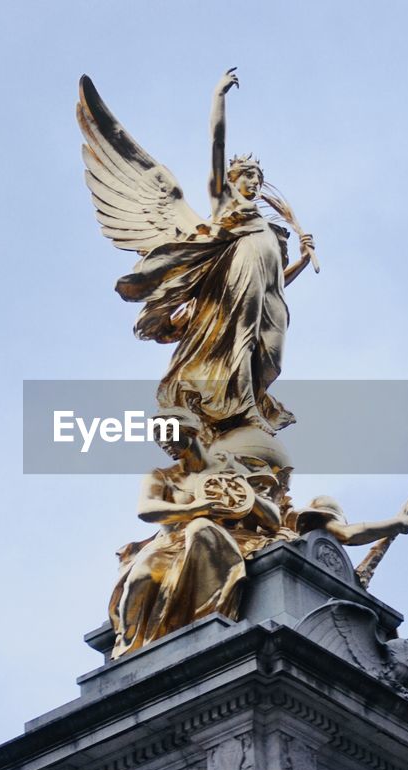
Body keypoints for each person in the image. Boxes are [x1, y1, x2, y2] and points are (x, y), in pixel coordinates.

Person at [114, 69, 315, 434]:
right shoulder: (225, 206)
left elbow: (276, 281)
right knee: (238, 341)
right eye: (248, 176)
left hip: (269, 294)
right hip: (236, 287)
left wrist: (300, 260)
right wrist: (218, 98)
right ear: (234, 179)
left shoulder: (270, 230)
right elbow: (217, 145)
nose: (254, 182)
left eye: (257, 177)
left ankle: (250, 399)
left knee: (269, 357)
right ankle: (244, 411)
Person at [108, 411, 282, 658]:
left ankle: (206, 621)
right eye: (159, 439)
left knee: (200, 529)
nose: (165, 443)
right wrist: (195, 509)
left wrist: (246, 494)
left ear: (190, 431)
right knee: (141, 579)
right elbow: (146, 510)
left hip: (223, 536)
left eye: (168, 434)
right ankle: (129, 653)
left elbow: (273, 521)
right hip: (170, 543)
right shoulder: (162, 475)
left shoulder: (230, 467)